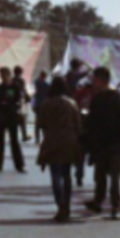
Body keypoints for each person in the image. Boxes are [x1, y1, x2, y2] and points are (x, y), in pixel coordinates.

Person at [82, 68, 120, 220]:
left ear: (101, 80)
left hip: (104, 143)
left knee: (104, 174)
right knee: (111, 175)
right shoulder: (119, 97)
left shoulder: (98, 99)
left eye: (94, 79)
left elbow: (91, 122)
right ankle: (111, 205)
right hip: (117, 142)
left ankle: (104, 202)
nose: (93, 82)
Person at [36, 77, 82, 222]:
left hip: (52, 139)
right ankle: (67, 206)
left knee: (55, 174)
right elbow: (78, 124)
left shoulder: (46, 103)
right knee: (67, 174)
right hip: (68, 140)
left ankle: (60, 205)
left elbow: (41, 123)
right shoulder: (71, 103)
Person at [0, 67, 26, 174]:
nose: (3, 77)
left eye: (4, 75)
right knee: (0, 141)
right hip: (0, 116)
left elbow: (21, 100)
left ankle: (19, 165)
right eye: (1, 75)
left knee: (14, 141)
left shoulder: (15, 87)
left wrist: (22, 112)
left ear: (9, 75)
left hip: (12, 116)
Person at [13, 67, 32, 142]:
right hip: (20, 101)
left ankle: (14, 136)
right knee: (22, 119)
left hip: (13, 102)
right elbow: (23, 90)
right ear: (20, 72)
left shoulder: (12, 80)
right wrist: (27, 97)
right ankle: (24, 135)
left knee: (14, 120)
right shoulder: (21, 80)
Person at [32, 71, 50, 145]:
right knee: (44, 122)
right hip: (44, 104)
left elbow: (34, 93)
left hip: (37, 104)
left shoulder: (36, 83)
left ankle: (37, 139)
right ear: (44, 76)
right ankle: (45, 137)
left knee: (37, 122)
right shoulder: (47, 85)